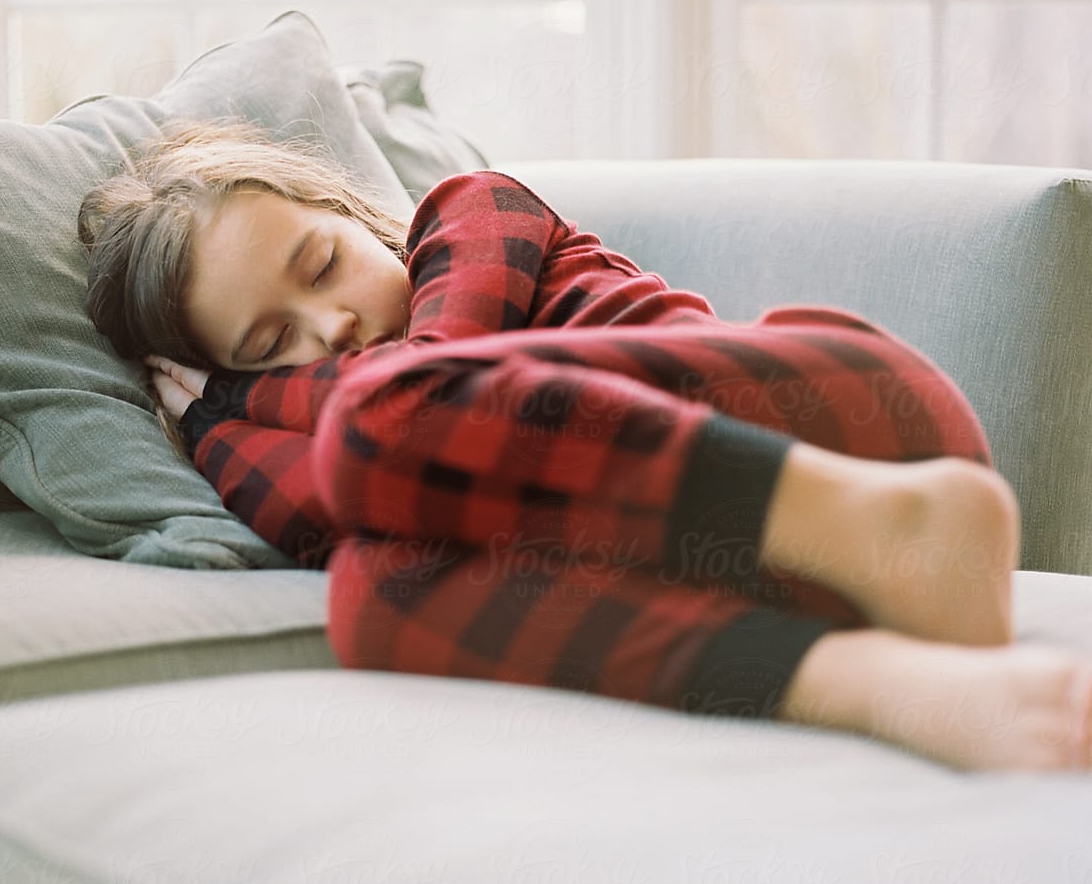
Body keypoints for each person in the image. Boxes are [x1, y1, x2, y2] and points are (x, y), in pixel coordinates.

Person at [79, 120, 1092, 773]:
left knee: (381, 417)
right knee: (368, 589)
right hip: (748, 569)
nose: (328, 328)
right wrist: (213, 424)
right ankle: (878, 682)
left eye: (322, 265)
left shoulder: (471, 214)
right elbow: (316, 520)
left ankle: (886, 526)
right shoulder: (376, 433)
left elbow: (413, 389)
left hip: (856, 422)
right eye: (271, 347)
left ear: (353, 219)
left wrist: (237, 406)